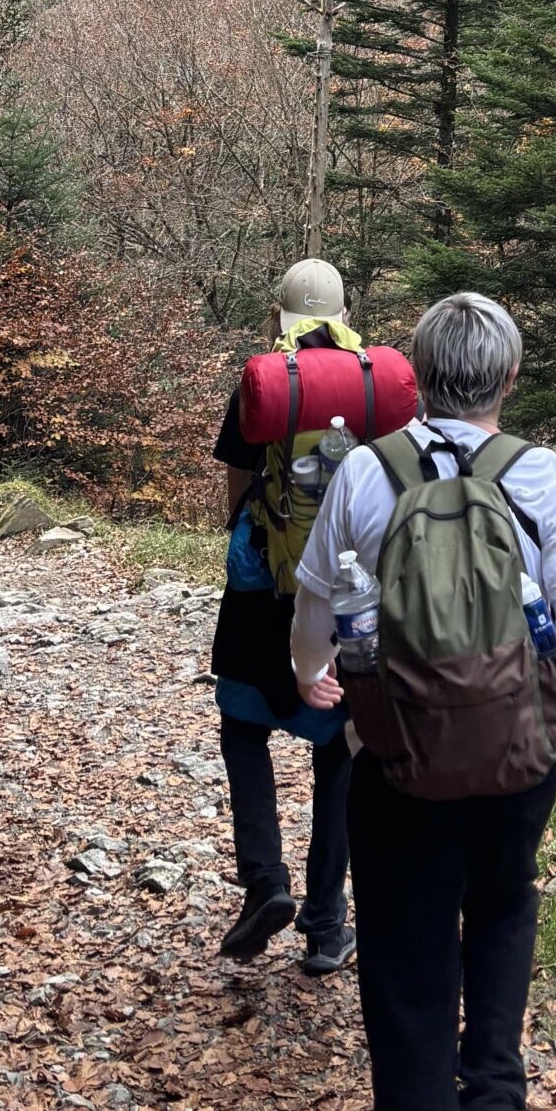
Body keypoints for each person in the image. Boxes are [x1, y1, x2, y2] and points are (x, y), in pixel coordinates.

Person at [293, 291, 556, 1111]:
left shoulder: (365, 471)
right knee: (504, 901)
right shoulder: (546, 476)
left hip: (398, 755)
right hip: (519, 749)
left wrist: (310, 675)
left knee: (406, 941)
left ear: (416, 380)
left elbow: (316, 613)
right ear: (509, 376)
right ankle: (495, 1106)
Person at [210, 256, 356, 973]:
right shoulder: (372, 387)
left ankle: (266, 880)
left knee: (243, 726)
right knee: (340, 750)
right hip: (345, 591)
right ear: (343, 313)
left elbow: (238, 490)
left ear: (282, 316)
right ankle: (328, 924)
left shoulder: (265, 380)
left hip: (262, 587)